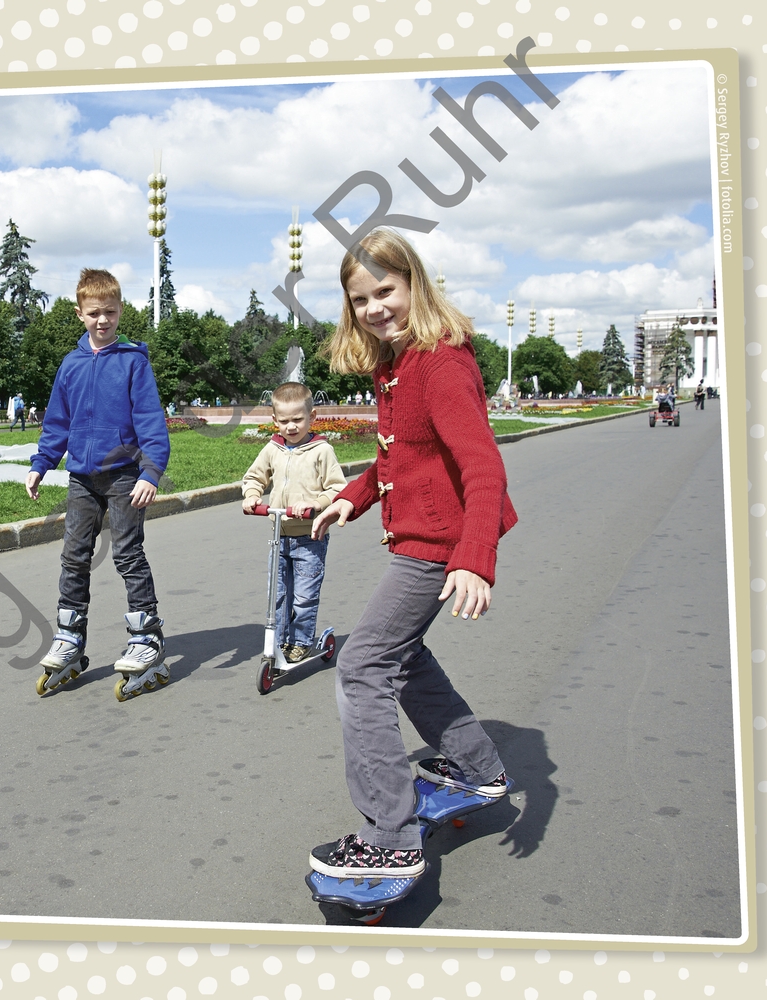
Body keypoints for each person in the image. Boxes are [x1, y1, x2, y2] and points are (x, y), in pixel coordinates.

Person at [306, 227, 517, 880]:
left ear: (412, 284)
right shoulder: (394, 363)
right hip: (422, 541)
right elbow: (397, 455)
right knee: (399, 656)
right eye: (360, 298)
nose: (374, 307)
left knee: (362, 665)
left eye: (385, 291)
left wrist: (472, 558)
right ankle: (478, 767)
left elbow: (481, 466)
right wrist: (353, 497)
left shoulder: (440, 362)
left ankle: (389, 837)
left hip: (439, 548)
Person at [25, 268, 172, 698]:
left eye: (110, 312)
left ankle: (146, 637)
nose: (102, 320)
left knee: (127, 554)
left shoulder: (133, 362)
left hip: (126, 475)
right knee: (74, 556)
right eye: (94, 313)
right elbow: (57, 423)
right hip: (82, 479)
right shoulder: (70, 365)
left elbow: (150, 422)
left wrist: (151, 472)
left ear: (121, 311)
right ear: (79, 314)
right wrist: (41, 463)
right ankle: (70, 636)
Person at [241, 381, 349, 663]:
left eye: (298, 419)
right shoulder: (273, 449)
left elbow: (337, 489)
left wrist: (316, 504)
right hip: (279, 535)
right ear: (274, 420)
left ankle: (300, 641)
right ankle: (276, 642)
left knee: (303, 596)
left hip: (310, 537)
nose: (291, 427)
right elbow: (255, 477)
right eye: (285, 421)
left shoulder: (321, 451)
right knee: (276, 595)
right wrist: (252, 495)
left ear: (312, 418)